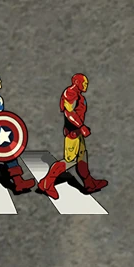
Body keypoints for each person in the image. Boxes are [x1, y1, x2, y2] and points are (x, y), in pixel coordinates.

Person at [37, 72, 108, 200]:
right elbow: (69, 113)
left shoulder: (77, 94)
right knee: (69, 160)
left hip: (78, 133)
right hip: (72, 134)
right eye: (84, 83)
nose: (86, 85)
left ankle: (89, 184)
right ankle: (47, 183)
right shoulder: (70, 93)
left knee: (82, 159)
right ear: (77, 82)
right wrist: (81, 126)